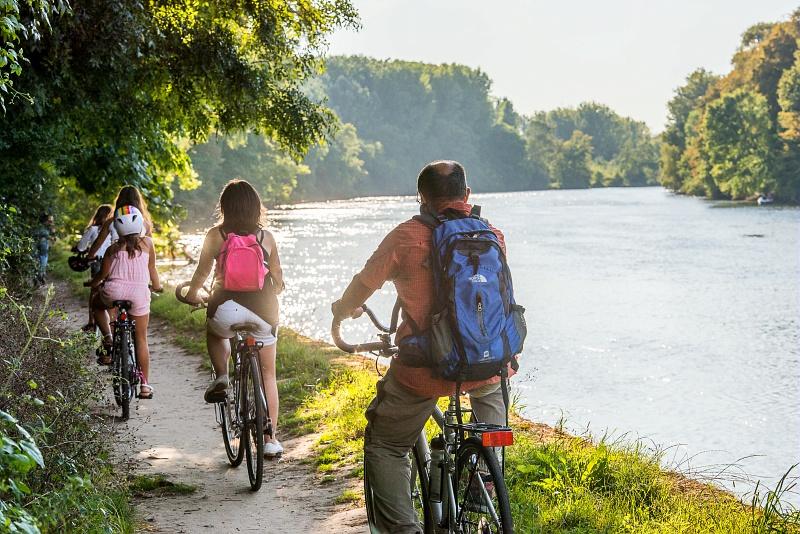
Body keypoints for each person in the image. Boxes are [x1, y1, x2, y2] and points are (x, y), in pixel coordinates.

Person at [331, 160, 516, 533]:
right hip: (488, 366)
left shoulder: (405, 237)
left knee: (386, 443)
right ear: (467, 195)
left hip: (425, 369)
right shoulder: (492, 235)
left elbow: (364, 283)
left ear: (421, 198)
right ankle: (483, 481)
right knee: (490, 425)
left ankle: (404, 529)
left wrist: (342, 310)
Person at [183, 179, 285, 457]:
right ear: (256, 207)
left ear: (224, 207)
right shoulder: (267, 237)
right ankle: (270, 440)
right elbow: (278, 280)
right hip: (264, 311)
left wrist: (193, 293)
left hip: (225, 308)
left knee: (216, 332)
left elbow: (202, 274)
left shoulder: (216, 235)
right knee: (268, 375)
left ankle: (223, 376)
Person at [88, 206, 162, 399]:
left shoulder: (113, 248)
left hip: (114, 292)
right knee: (141, 338)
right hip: (139, 293)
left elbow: (102, 275)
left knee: (96, 304)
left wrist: (92, 283)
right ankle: (145, 386)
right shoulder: (148, 244)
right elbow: (152, 269)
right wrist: (157, 285)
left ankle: (108, 337)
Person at [76, 204, 116, 331]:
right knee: (110, 289)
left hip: (97, 261)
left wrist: (86, 252)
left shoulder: (93, 229)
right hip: (113, 261)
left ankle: (91, 322)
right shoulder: (113, 227)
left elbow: (81, 247)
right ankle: (111, 322)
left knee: (94, 291)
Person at [87, 185, 153, 259]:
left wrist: (89, 256)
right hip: (139, 264)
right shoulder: (145, 223)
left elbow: (98, 242)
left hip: (115, 261)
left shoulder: (111, 221)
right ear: (138, 202)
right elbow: (149, 246)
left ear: (119, 200)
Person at [33, 213, 54, 284]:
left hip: (43, 249)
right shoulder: (40, 227)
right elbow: (39, 235)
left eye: (52, 221)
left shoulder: (47, 228)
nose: (51, 222)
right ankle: (39, 277)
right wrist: (49, 237)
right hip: (40, 248)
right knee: (41, 261)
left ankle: (40, 277)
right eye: (50, 221)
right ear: (45, 220)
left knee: (42, 261)